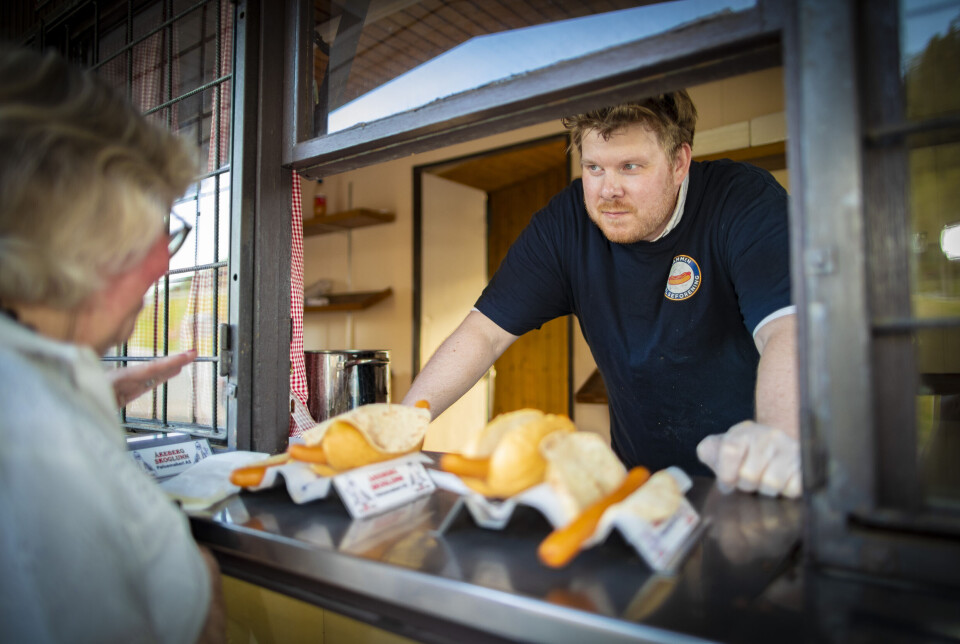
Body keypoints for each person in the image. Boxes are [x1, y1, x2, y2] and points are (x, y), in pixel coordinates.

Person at [403, 92, 801, 498]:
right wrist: (403, 425)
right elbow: (483, 333)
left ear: (679, 163)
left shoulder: (742, 200)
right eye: (594, 167)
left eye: (630, 167)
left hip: (756, 482)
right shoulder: (566, 223)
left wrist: (779, 440)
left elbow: (786, 329)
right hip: (640, 490)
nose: (608, 190)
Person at [0, 46, 225, 643]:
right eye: (162, 228)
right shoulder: (34, 447)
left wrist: (91, 396)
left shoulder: (32, 378)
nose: (162, 263)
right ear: (90, 238)